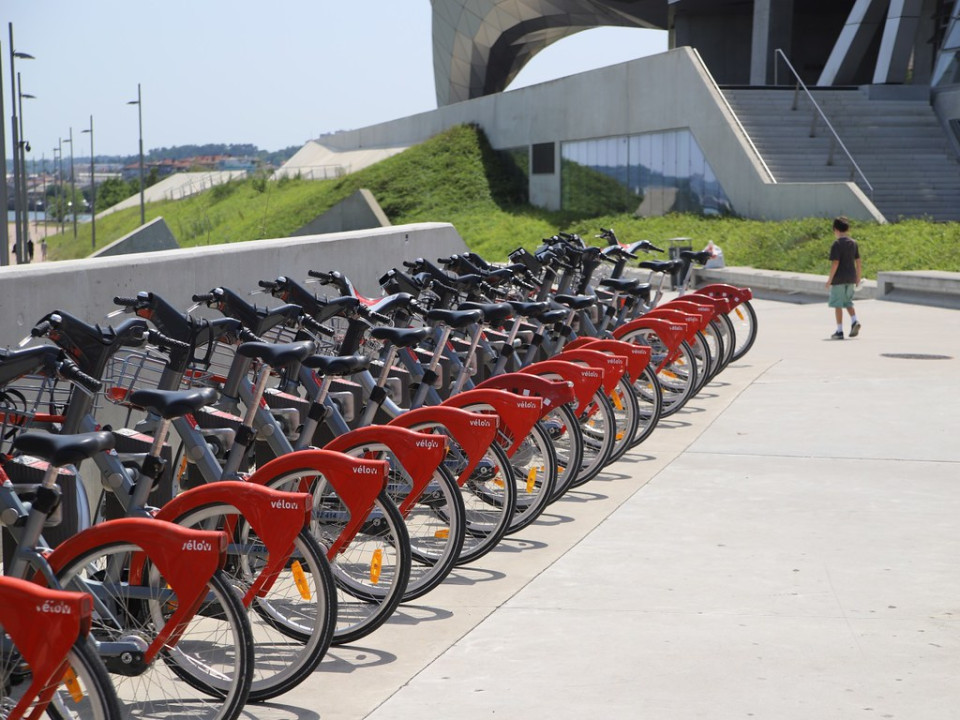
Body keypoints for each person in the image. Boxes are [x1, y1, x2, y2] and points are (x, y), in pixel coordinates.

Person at [825, 216, 861, 339]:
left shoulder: (836, 244)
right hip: (851, 278)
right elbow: (858, 261)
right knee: (848, 302)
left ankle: (839, 331)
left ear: (835, 229)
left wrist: (830, 280)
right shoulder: (853, 243)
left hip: (839, 279)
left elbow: (835, 263)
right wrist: (858, 277)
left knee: (838, 304)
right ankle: (854, 320)